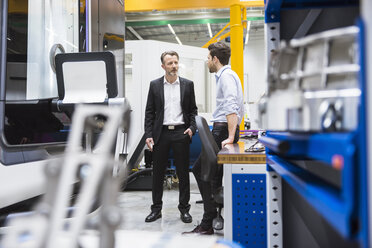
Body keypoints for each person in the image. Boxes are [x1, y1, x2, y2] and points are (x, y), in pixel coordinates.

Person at [184, 42, 244, 235]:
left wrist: (231, 136)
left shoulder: (225, 76)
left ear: (215, 59)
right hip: (222, 130)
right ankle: (213, 214)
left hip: (222, 131)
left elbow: (231, 106)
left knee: (200, 169)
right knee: (212, 175)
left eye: (208, 58)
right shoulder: (227, 75)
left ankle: (209, 216)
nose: (206, 61)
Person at [144, 51, 198, 224]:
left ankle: (184, 210)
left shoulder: (188, 85)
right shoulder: (155, 85)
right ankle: (156, 210)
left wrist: (192, 128)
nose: (174, 66)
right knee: (157, 174)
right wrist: (149, 135)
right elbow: (149, 112)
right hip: (161, 134)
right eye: (170, 63)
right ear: (163, 66)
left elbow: (192, 111)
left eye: (176, 62)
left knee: (183, 173)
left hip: (181, 133)